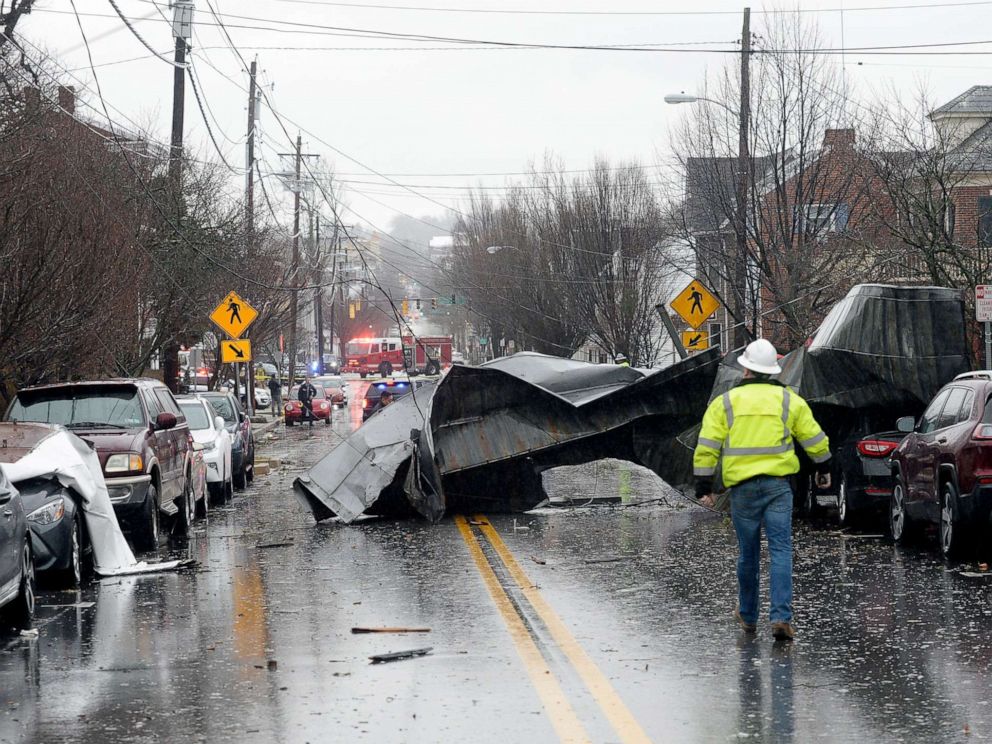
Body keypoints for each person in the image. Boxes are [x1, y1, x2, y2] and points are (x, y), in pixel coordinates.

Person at [693, 338, 831, 642]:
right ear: (773, 371)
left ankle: (748, 615)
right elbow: (813, 437)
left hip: (742, 490)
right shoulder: (789, 400)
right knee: (781, 550)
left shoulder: (725, 403)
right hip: (778, 488)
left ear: (745, 370)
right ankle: (781, 617)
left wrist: (704, 484)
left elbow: (707, 446)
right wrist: (824, 467)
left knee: (749, 553)